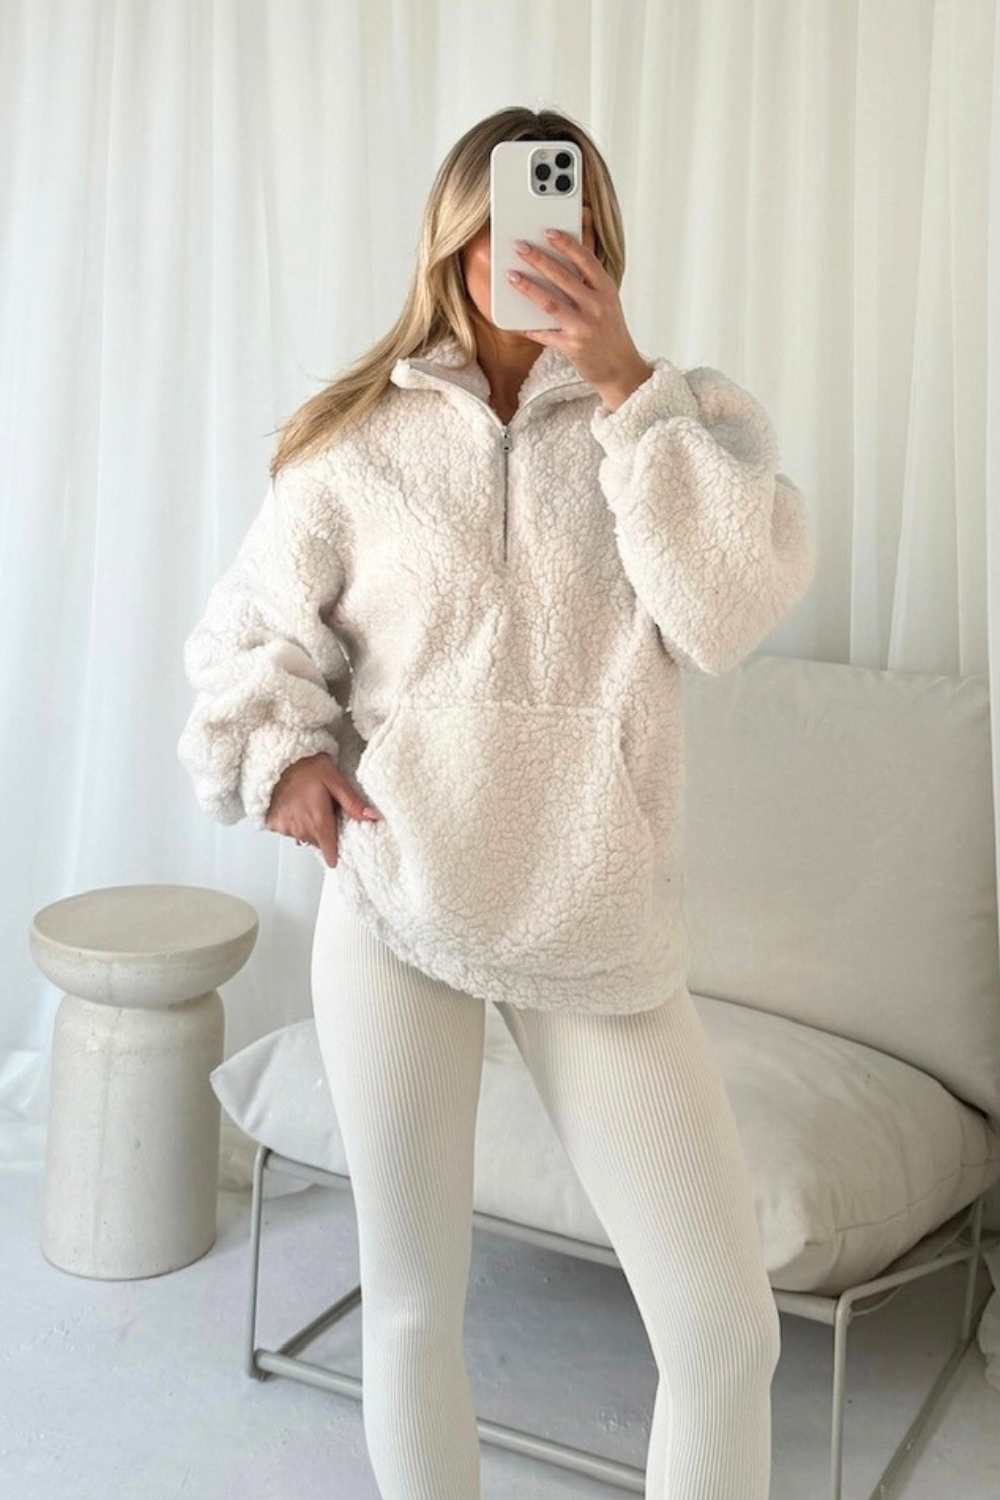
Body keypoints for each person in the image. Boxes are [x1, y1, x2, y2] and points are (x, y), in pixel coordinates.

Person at [178, 105, 816, 1500]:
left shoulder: (682, 425)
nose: (531, 251)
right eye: (504, 226)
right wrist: (286, 758)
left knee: (724, 1335)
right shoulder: (356, 442)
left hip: (599, 922)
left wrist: (631, 388)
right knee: (412, 1312)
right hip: (401, 897)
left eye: (565, 219)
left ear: (603, 240)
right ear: (453, 242)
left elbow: (721, 617)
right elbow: (245, 636)